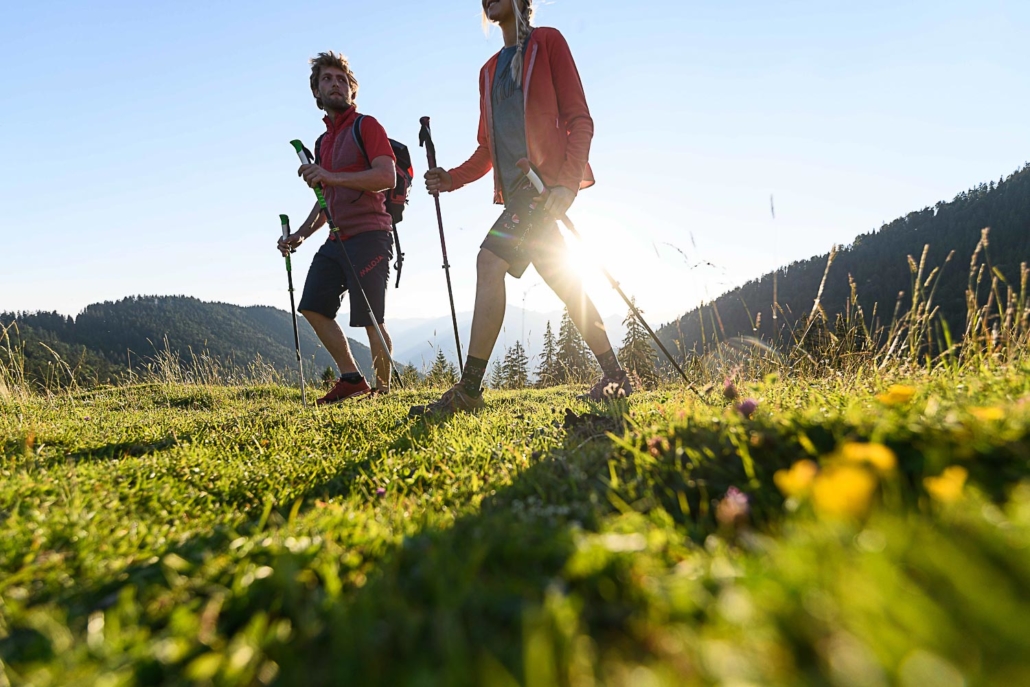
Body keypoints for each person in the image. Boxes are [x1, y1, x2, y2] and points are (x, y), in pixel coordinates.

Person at [411, 0, 631, 417]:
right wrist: (451, 178)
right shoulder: (489, 72)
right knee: (569, 287)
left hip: (542, 190)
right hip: (518, 196)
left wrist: (566, 185)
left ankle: (470, 391)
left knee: (488, 260)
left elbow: (579, 120)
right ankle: (615, 376)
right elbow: (487, 149)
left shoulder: (548, 43)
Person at [278, 51, 396, 404]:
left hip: (370, 235)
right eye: (327, 79)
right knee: (313, 304)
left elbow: (386, 176)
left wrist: (329, 175)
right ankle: (351, 378)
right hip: (336, 237)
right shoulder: (322, 142)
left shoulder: (367, 126)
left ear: (351, 90)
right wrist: (299, 234)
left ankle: (384, 392)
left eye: (342, 80)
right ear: (317, 91)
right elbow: (325, 197)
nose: (335, 84)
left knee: (370, 318)